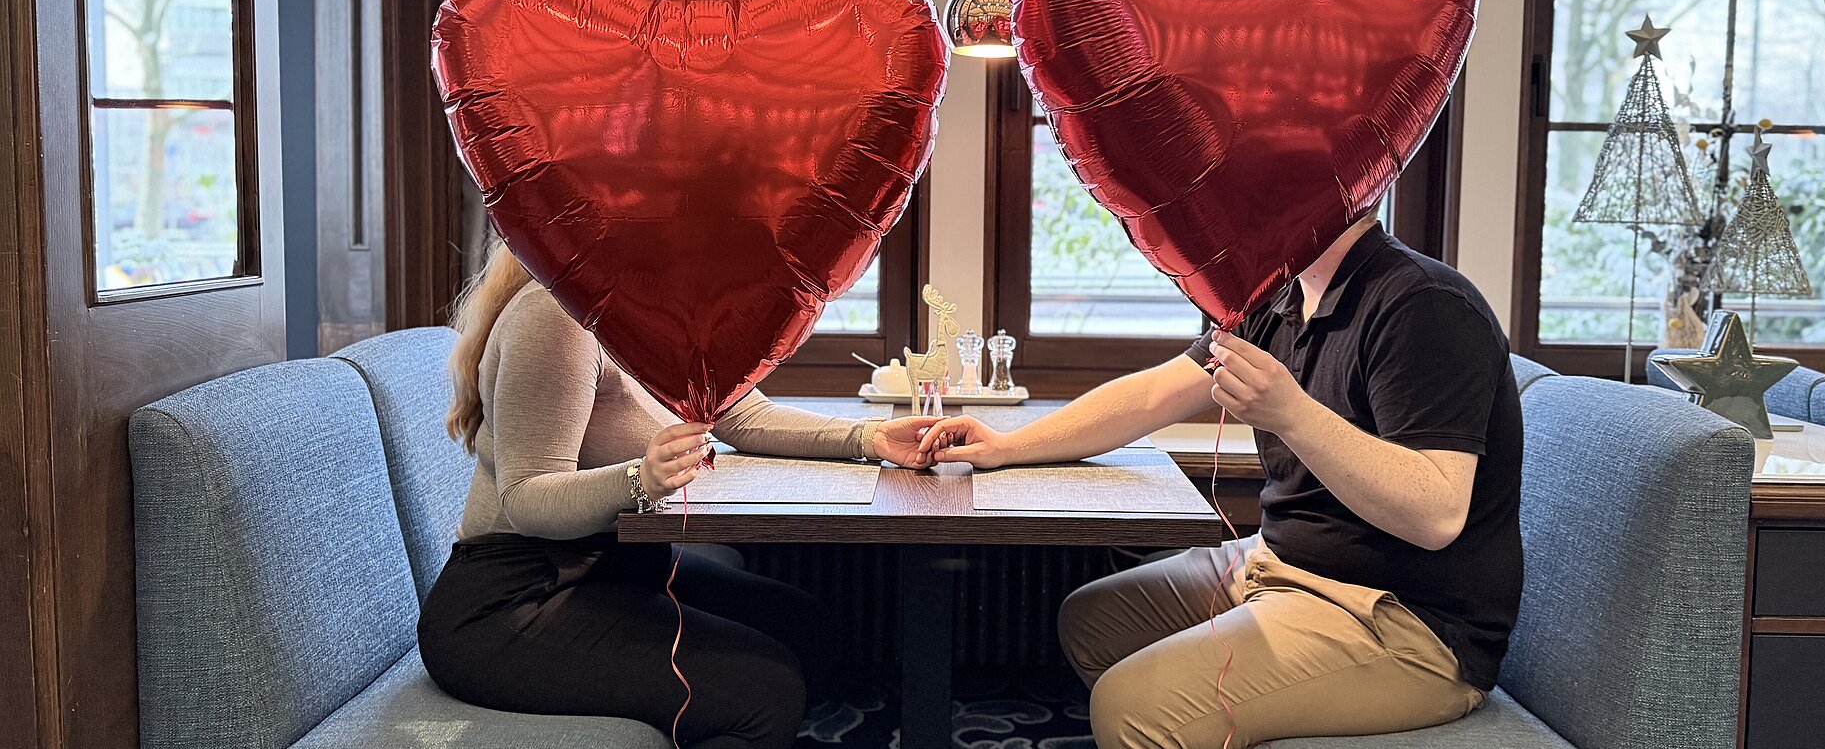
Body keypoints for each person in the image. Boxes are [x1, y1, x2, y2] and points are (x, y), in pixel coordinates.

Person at [911, 209, 1523, 748]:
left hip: (1405, 624)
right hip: (1279, 566)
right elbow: (1154, 394)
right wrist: (1010, 445)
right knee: (1092, 622)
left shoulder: (1425, 304)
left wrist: (1292, 412)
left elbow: (1436, 514)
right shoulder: (1278, 296)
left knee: (1132, 708)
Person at [418, 240, 935, 749]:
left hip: (617, 568)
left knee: (806, 629)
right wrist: (638, 480)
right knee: (766, 692)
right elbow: (526, 499)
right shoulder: (557, 318)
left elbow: (745, 416)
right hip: (514, 602)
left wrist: (867, 439)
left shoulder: (657, 311)